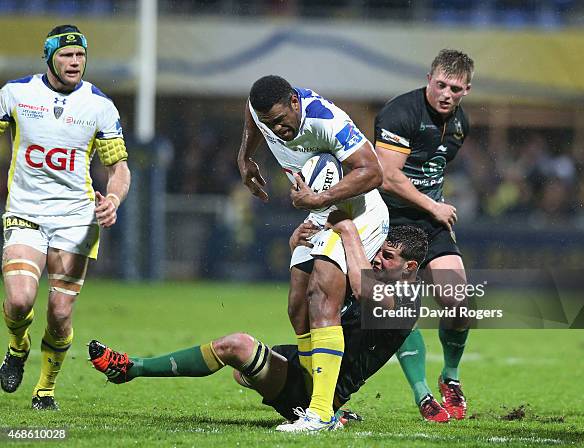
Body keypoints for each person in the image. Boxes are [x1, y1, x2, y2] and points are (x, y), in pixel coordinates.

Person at [88, 216, 427, 432]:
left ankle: (131, 368)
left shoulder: (407, 303)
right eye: (379, 252)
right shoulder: (383, 281)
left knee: (235, 346)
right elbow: (311, 301)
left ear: (410, 267)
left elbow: (361, 288)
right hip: (304, 362)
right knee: (240, 370)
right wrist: (302, 249)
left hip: (323, 385)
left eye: (388, 256)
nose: (378, 259)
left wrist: (349, 233)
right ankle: (316, 411)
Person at [237, 76, 389, 430]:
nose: (277, 129)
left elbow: (374, 170)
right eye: (268, 123)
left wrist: (319, 199)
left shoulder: (326, 120)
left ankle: (321, 412)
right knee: (297, 308)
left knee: (322, 296)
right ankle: (311, 404)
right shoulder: (263, 111)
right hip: (321, 211)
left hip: (359, 212)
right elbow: (251, 113)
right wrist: (245, 157)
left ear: (294, 101)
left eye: (280, 120)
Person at [0, 24, 130, 410]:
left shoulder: (100, 106)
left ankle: (45, 391)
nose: (75, 62)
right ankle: (18, 347)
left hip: (76, 219)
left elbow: (119, 166)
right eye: (67, 55)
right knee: (21, 301)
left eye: (80, 55)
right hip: (25, 212)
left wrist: (115, 199)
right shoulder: (15, 94)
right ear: (50, 57)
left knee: (59, 312)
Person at [374, 49, 474, 422]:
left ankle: (451, 377)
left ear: (467, 89)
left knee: (459, 304)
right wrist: (433, 206)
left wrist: (433, 208)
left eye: (457, 89)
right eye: (441, 85)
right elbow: (387, 175)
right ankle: (423, 396)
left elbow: (433, 169)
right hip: (390, 222)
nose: (447, 94)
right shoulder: (399, 113)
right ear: (429, 78)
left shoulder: (461, 123)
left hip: (431, 224)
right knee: (397, 313)